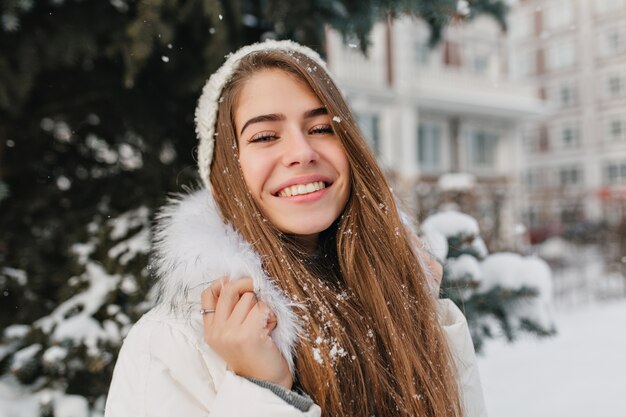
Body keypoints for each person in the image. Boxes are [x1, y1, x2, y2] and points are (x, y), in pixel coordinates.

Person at [105, 40, 486, 417]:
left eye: (322, 128)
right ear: (225, 175)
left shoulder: (397, 299)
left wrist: (423, 316)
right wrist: (260, 391)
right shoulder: (170, 343)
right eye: (266, 136)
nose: (302, 152)